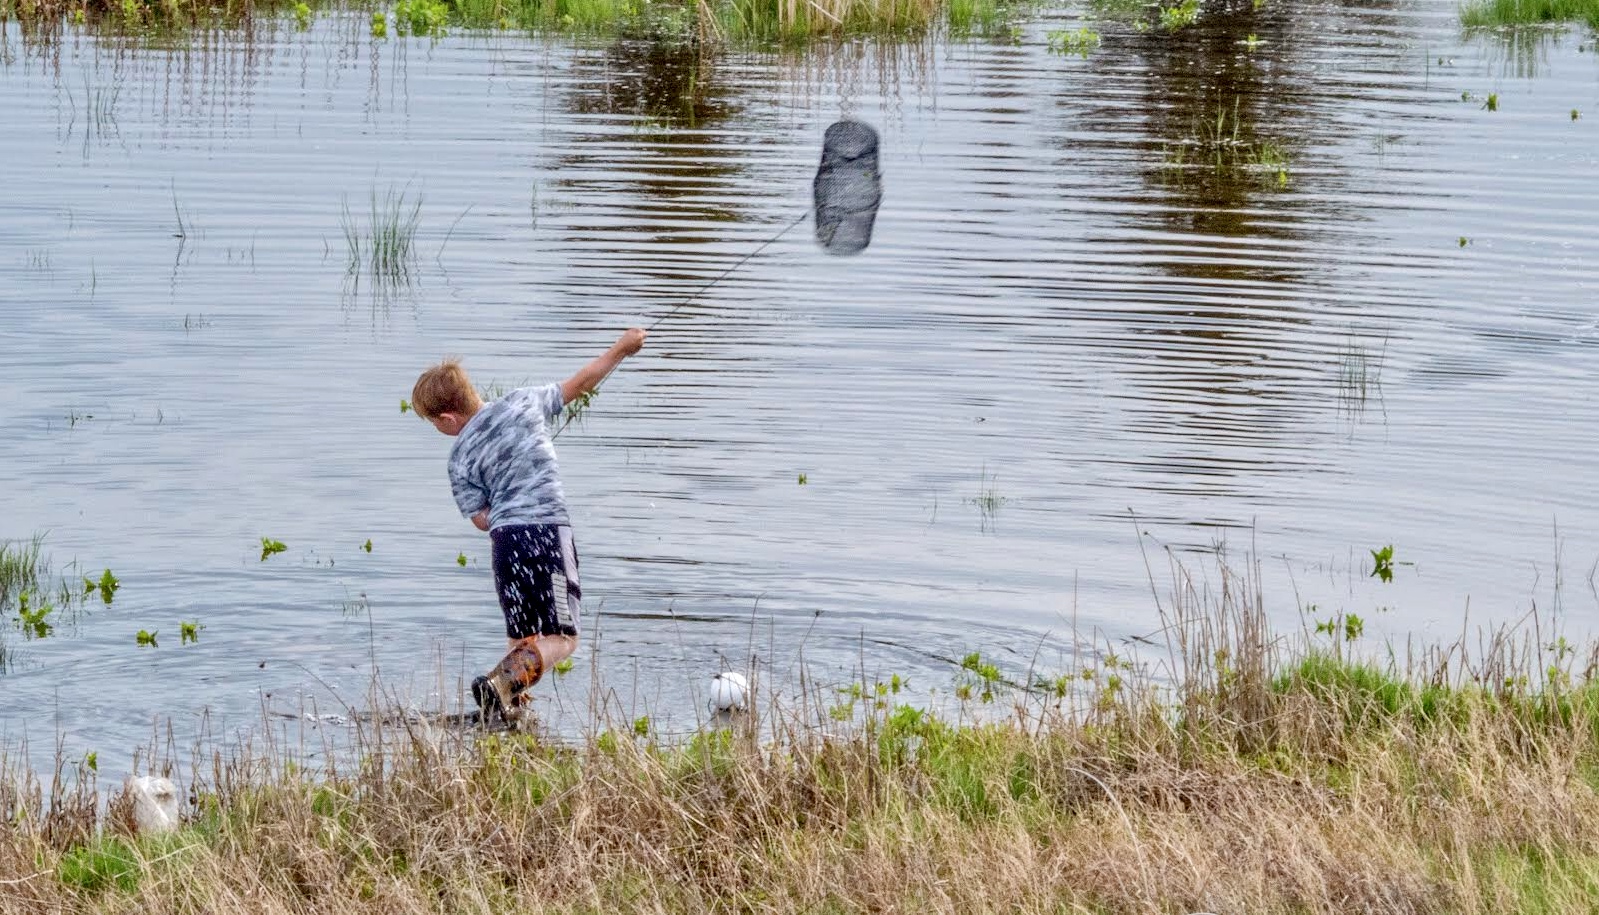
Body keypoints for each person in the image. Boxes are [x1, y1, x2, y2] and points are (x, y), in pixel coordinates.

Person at [411, 328, 647, 722]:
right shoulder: (525, 401)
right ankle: (502, 688)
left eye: (435, 423)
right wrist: (623, 348)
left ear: (449, 418)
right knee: (563, 639)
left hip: (506, 542)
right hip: (547, 535)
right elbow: (583, 381)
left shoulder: (457, 461)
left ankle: (508, 709)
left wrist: (503, 501)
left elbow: (482, 520)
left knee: (521, 635)